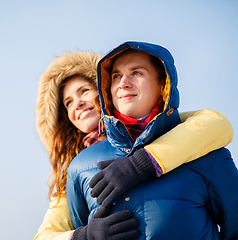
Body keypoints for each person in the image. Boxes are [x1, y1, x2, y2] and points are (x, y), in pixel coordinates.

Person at [34, 51, 234, 240]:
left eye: (84, 91)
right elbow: (45, 235)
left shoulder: (181, 133)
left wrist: (140, 163)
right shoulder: (76, 168)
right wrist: (85, 236)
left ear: (103, 93)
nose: (77, 104)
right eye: (68, 103)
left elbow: (213, 124)